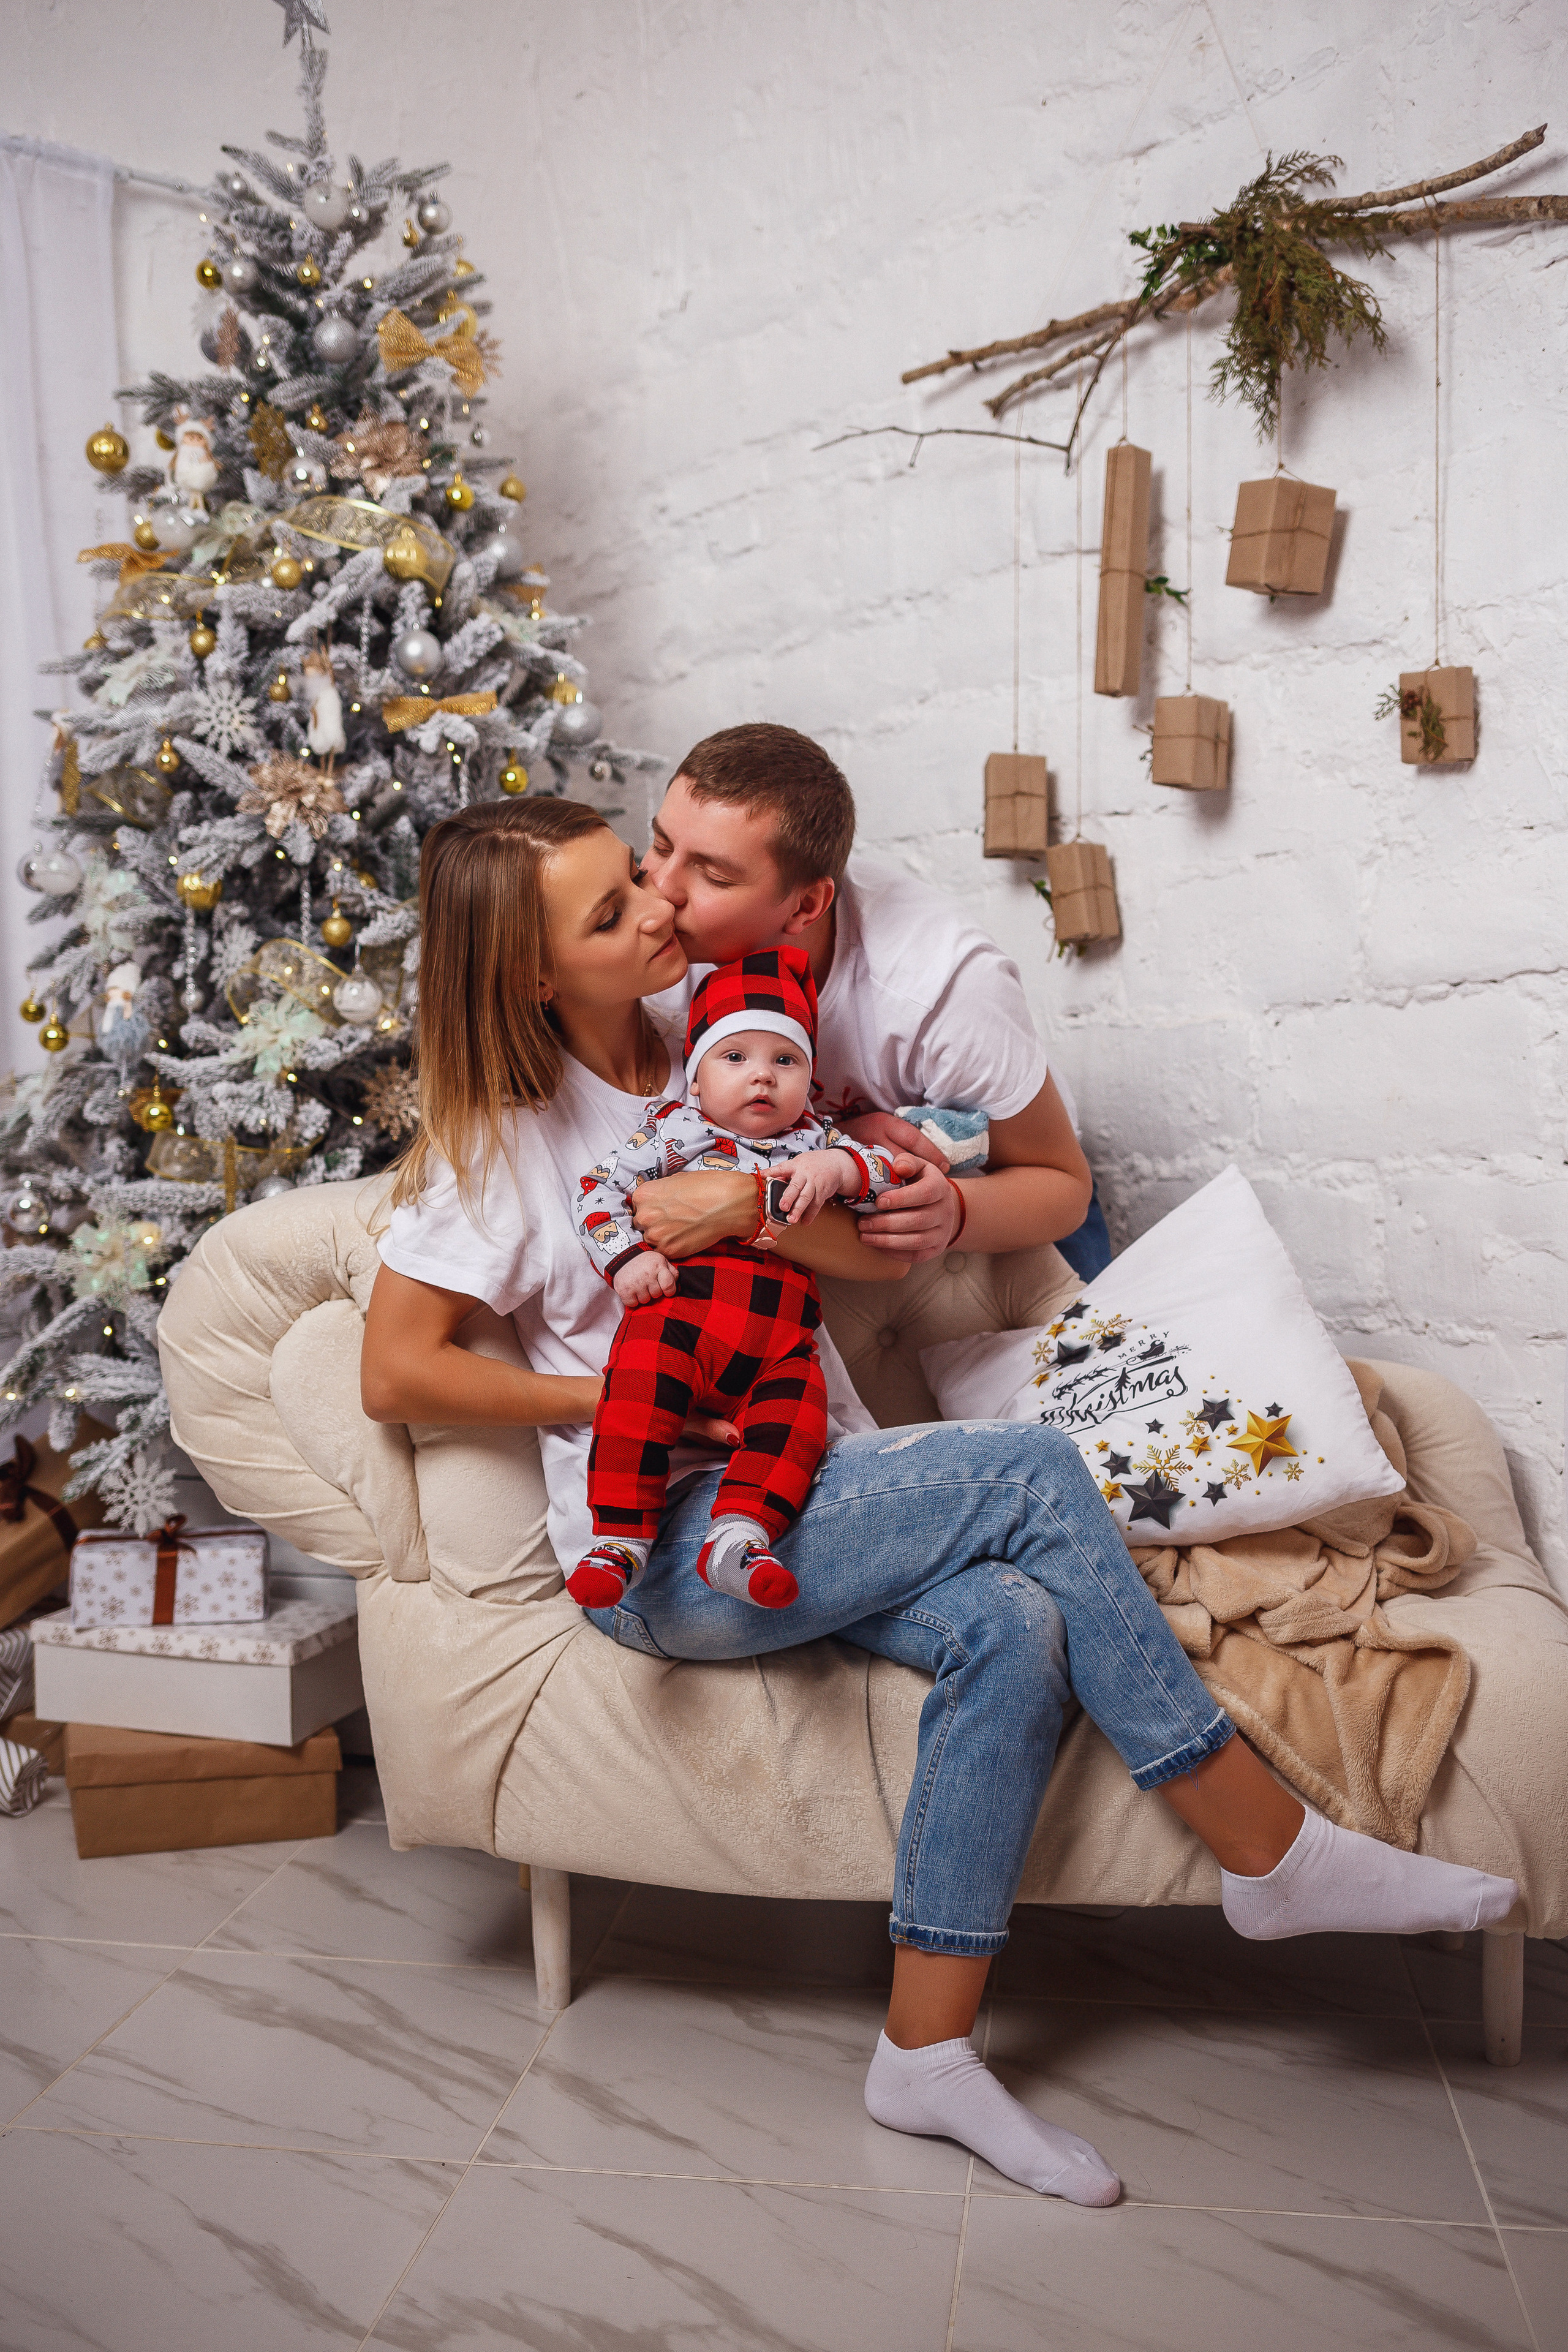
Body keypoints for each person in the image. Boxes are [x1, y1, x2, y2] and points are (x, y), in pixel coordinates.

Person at [363, 794, 1517, 2210]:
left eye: (646, 876)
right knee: (1033, 1470)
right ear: (536, 976)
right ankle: (1266, 1847)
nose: (663, 906)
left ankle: (924, 2049)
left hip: (816, 1483)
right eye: (615, 911)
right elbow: (394, 1370)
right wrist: (609, 1402)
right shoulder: (507, 1146)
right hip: (666, 1547)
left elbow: (852, 1213)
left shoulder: (715, 1051)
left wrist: (806, 1192)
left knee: (1015, 1621)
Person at [641, 720, 1110, 1278]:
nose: (661, 887)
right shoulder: (653, 933)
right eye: (661, 844)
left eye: (714, 876)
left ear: (805, 906)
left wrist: (955, 1211)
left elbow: (1063, 1185)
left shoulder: (943, 986)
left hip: (1001, 1208)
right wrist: (833, 1135)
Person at [570, 944, 899, 1611]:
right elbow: (596, 1191)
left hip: (779, 1345)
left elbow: (884, 1175)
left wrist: (838, 1173)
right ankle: (619, 1538)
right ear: (694, 1080)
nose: (761, 1078)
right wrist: (627, 1258)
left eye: (785, 1061)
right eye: (735, 1058)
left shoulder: (817, 1143)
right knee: (635, 1394)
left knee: (798, 1419)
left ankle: (742, 1537)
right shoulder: (673, 1133)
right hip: (680, 1317)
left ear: (809, 1078)